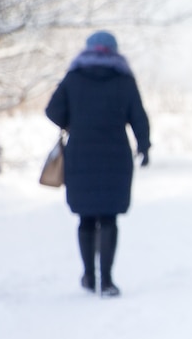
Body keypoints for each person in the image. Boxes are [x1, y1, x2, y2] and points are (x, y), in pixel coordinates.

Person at [45, 31, 151, 297]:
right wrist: (144, 146)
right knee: (109, 217)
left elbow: (52, 110)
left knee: (86, 218)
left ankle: (89, 278)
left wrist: (74, 123)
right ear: (114, 50)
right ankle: (107, 281)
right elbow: (139, 116)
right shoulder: (123, 79)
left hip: (80, 153)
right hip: (115, 154)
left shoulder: (74, 77)